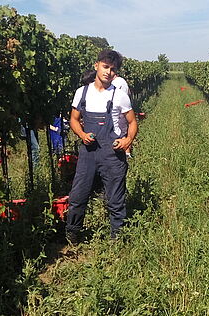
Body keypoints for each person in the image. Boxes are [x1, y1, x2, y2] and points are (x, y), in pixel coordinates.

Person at [65, 49, 138, 244]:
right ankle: (73, 233)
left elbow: (132, 122)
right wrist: (81, 134)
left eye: (113, 69)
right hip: (88, 153)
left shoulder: (119, 96)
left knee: (115, 198)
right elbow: (74, 119)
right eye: (105, 67)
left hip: (112, 153)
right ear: (96, 65)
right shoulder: (83, 92)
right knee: (78, 195)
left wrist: (127, 140)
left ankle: (117, 237)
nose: (108, 72)